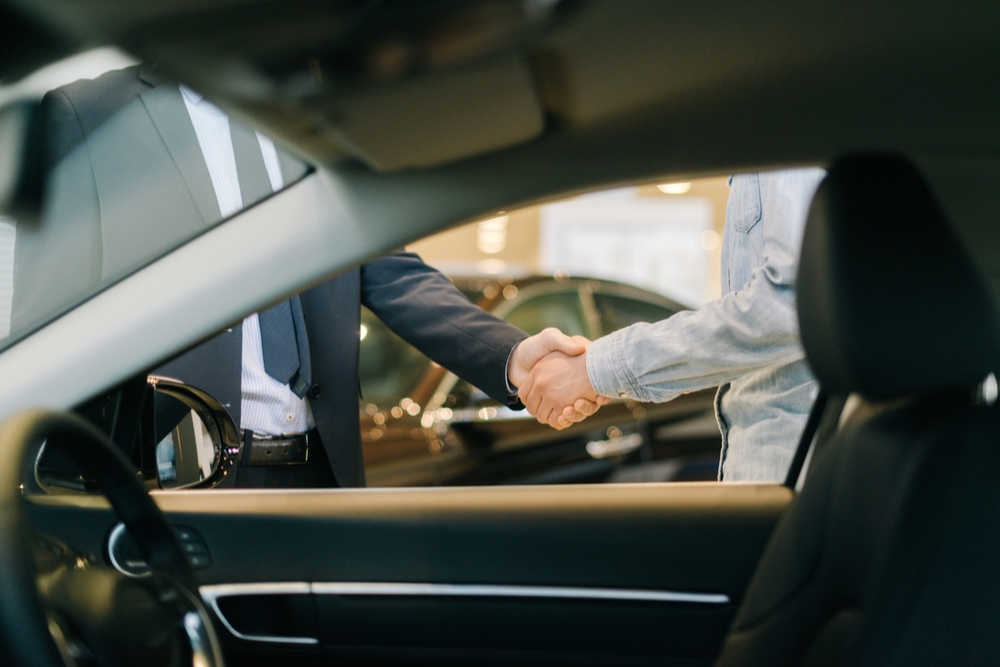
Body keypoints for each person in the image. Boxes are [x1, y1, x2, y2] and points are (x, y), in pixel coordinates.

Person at [13, 64, 596, 488]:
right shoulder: (89, 115)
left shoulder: (326, 115)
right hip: (178, 473)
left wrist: (512, 356)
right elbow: (49, 314)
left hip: (323, 471)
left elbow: (387, 268)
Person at [518, 169, 826, 482]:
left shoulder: (783, 142)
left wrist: (593, 369)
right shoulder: (762, 158)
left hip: (794, 470)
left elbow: (789, 301)